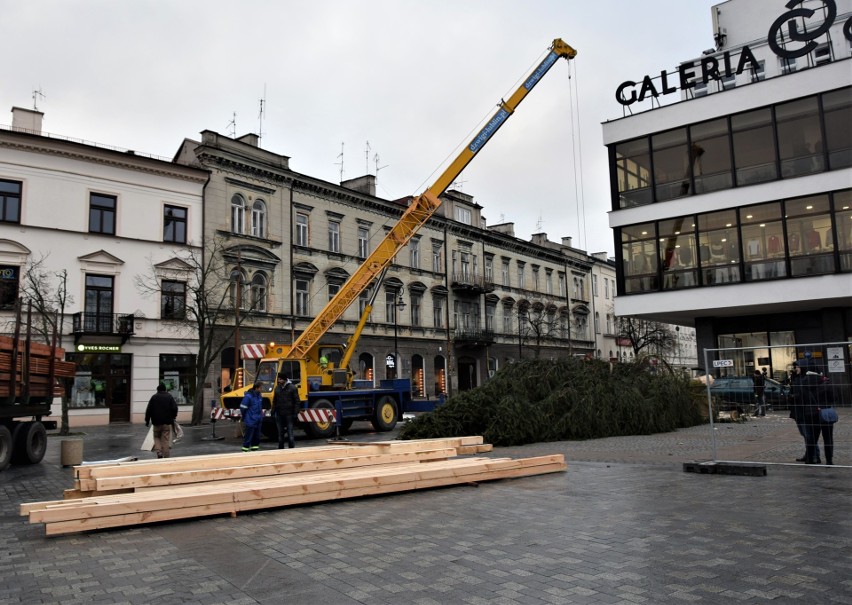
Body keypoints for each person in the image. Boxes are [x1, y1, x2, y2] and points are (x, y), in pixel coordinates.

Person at [145, 383, 178, 458]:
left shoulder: (154, 397)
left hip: (156, 422)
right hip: (166, 422)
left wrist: (147, 421)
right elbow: (174, 408)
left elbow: (148, 410)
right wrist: (173, 417)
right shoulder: (169, 397)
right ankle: (166, 455)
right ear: (165, 389)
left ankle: (159, 452)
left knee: (156, 437)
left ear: (157, 390)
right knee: (165, 439)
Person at [273, 372, 300, 449]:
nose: (279, 380)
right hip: (279, 414)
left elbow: (297, 401)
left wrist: (295, 413)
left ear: (284, 379)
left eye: (280, 379)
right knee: (280, 433)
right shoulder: (277, 388)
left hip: (289, 414)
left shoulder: (292, 388)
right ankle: (281, 448)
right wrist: (273, 410)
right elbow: (275, 401)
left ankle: (291, 448)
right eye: (278, 379)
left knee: (290, 433)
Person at [240, 381, 264, 452]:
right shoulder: (248, 396)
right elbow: (243, 408)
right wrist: (246, 417)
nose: (262, 389)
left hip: (257, 420)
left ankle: (254, 450)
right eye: (261, 388)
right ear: (256, 388)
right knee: (248, 437)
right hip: (251, 420)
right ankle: (245, 450)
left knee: (256, 437)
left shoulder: (259, 396)